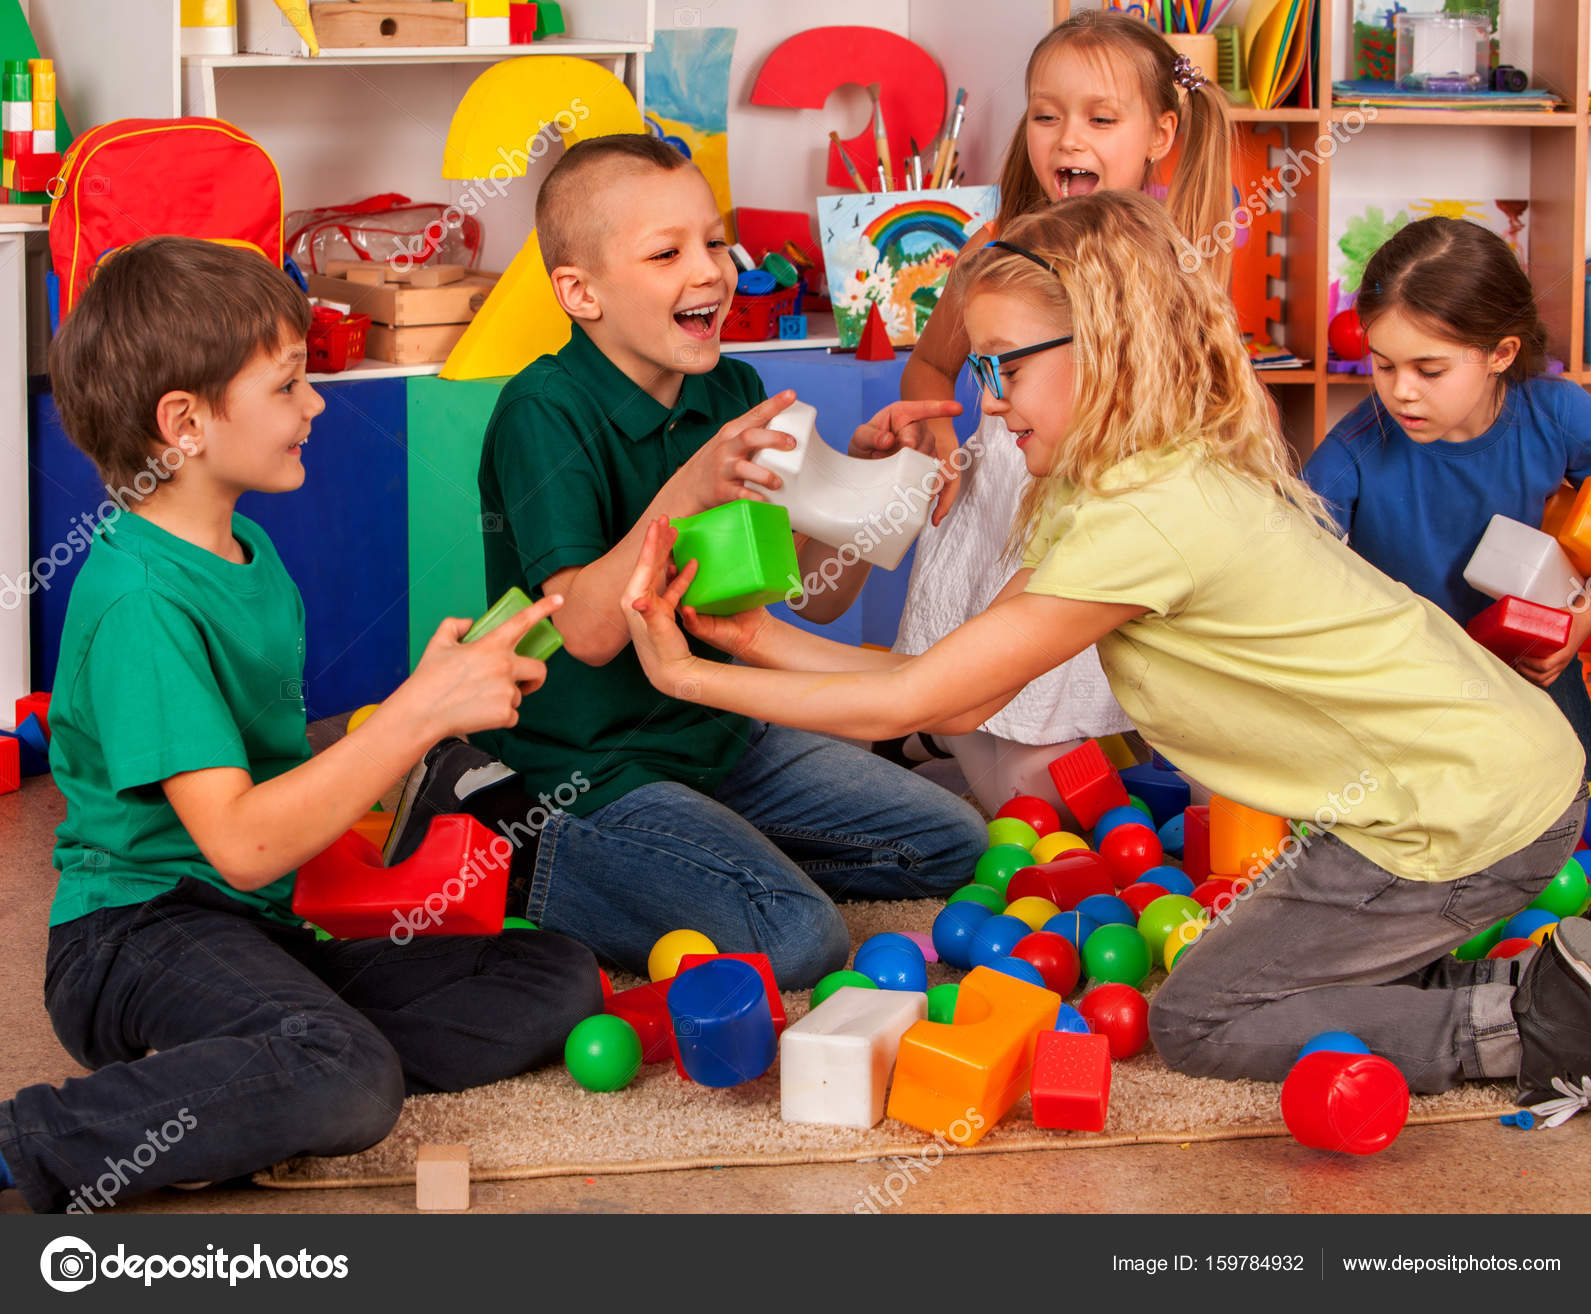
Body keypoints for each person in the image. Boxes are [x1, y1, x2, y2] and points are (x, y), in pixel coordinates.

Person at [620, 191, 1591, 1105]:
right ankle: (1546, 973)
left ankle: (1530, 1025)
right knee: (1256, 971)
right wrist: (753, 638)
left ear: (1106, 346)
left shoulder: (1141, 515)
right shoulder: (1116, 486)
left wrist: (686, 677)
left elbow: (911, 705)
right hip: (1457, 782)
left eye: (1006, 364)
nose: (989, 401)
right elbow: (949, 688)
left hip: (1462, 803)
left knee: (1201, 1018)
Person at [0, 237, 602, 1213]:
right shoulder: (140, 604)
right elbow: (238, 844)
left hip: (255, 927)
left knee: (553, 977)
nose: (316, 406)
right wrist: (417, 715)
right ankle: (34, 1136)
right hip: (137, 938)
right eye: (287, 387)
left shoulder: (248, 552)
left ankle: (255, 1068)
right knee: (349, 1078)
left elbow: (273, 825)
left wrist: (435, 693)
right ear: (185, 424)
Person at [388, 134, 988, 992]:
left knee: (949, 844)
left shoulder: (733, 392)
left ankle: (692, 854)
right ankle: (506, 832)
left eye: (715, 242)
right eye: (667, 253)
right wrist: (689, 485)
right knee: (797, 937)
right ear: (580, 292)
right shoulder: (542, 412)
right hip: (588, 766)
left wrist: (857, 489)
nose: (708, 270)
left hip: (724, 735)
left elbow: (807, 599)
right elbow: (589, 633)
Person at [866, 9, 1237, 814]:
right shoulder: (996, 249)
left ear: (1160, 134)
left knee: (1120, 737)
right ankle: (936, 735)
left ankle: (935, 740)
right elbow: (931, 361)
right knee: (1038, 797)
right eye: (1046, 115)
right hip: (1006, 504)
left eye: (1102, 119)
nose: (1069, 138)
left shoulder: (1174, 261)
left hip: (1104, 523)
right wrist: (931, 420)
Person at [1304, 216, 1591, 781]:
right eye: (1383, 364)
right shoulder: (1355, 450)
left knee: (1577, 796)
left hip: (1528, 664)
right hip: (1410, 680)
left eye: (1429, 369)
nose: (1401, 390)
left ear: (1500, 354)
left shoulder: (1554, 413)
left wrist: (1581, 621)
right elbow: (1284, 560)